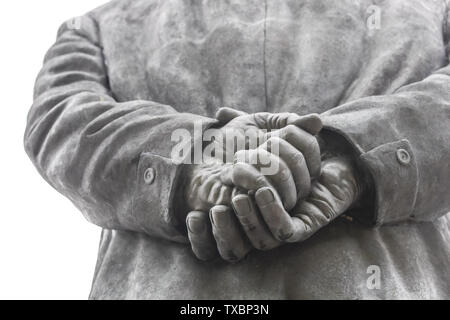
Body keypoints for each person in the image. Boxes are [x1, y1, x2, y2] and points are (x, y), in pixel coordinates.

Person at [25, 0, 450, 299]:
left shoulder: (101, 26)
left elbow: (59, 120)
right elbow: (57, 119)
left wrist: (198, 162)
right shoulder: (428, 12)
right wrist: (340, 157)